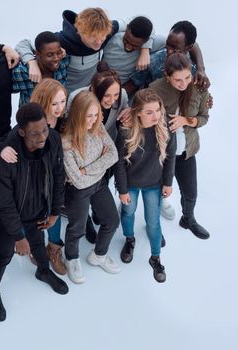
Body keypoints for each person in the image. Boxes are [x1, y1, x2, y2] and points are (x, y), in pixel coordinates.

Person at [0, 103, 69, 322]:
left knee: (38, 244)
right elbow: (4, 203)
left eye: (44, 129)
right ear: (22, 131)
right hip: (11, 217)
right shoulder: (6, 157)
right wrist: (18, 236)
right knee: (4, 255)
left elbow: (58, 176)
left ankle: (43, 271)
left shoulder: (53, 139)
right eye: (35, 133)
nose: (42, 136)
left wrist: (54, 211)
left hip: (39, 209)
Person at [0, 79, 68, 275]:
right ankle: (30, 244)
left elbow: (58, 171)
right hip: (30, 192)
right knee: (33, 222)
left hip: (51, 181)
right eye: (54, 103)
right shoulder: (26, 127)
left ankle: (54, 248)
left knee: (53, 217)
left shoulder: (63, 121)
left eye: (63, 101)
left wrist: (55, 210)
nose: (60, 108)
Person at [114, 89, 176, 283]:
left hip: (154, 183)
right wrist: (122, 190)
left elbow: (171, 157)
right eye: (149, 112)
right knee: (128, 212)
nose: (155, 116)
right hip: (131, 183)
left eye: (158, 110)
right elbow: (119, 164)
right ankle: (130, 239)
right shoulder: (126, 132)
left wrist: (168, 182)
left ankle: (156, 257)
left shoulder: (164, 128)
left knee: (153, 221)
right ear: (138, 112)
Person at [150, 53, 211, 240]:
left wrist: (186, 120)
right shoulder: (155, 89)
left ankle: (188, 219)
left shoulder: (199, 88)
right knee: (156, 193)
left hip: (186, 151)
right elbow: (145, 117)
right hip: (161, 153)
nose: (183, 83)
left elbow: (204, 118)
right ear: (167, 77)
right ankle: (154, 228)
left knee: (191, 192)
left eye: (187, 77)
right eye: (177, 80)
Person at [61, 90, 120, 284]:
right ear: (78, 114)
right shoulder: (67, 141)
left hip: (99, 184)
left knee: (112, 220)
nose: (93, 120)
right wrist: (96, 166)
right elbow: (77, 180)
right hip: (77, 191)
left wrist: (87, 169)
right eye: (89, 116)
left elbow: (113, 154)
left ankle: (99, 255)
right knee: (76, 229)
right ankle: (71, 258)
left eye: (96, 115)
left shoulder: (98, 128)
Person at [66, 62, 128, 243]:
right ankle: (85, 220)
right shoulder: (78, 97)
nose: (112, 100)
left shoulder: (121, 96)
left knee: (101, 181)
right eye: (107, 95)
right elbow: (72, 125)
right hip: (82, 151)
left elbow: (121, 115)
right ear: (94, 90)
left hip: (106, 147)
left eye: (115, 94)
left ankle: (98, 210)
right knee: (83, 187)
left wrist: (129, 112)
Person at [16, 7, 143, 92]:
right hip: (65, 93)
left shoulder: (107, 29)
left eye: (102, 36)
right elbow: (23, 44)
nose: (99, 42)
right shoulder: (62, 40)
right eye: (93, 37)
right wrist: (31, 62)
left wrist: (145, 51)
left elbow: (142, 21)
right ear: (81, 32)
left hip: (89, 92)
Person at [102, 16, 166, 97]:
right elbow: (145, 16)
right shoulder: (112, 38)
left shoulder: (150, 43)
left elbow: (172, 43)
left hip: (124, 91)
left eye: (134, 46)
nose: (128, 47)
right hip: (102, 83)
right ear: (127, 28)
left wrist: (145, 51)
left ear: (146, 41)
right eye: (126, 40)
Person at [12, 31, 69, 106]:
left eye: (58, 52)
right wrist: (31, 62)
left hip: (58, 115)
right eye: (50, 55)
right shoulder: (22, 72)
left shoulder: (63, 63)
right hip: (31, 116)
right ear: (38, 55)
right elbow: (23, 44)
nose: (56, 58)